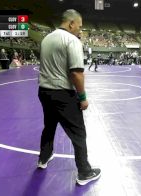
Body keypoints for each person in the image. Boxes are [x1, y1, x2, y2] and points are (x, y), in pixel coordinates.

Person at [37, 9, 101, 185]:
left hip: (44, 91)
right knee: (78, 133)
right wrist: (83, 97)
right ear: (71, 23)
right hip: (63, 94)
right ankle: (84, 172)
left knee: (49, 126)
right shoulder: (72, 40)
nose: (80, 30)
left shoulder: (46, 39)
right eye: (79, 26)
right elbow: (77, 74)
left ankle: (43, 158)